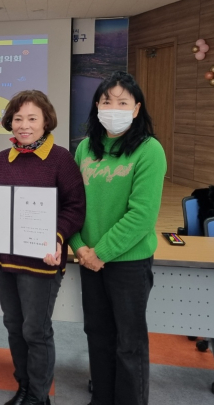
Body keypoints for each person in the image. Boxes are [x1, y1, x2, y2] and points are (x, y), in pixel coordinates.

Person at [0, 90, 86, 405]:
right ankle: (24, 386)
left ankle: (37, 396)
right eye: (18, 118)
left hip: (41, 261)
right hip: (6, 260)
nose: (24, 125)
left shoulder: (61, 158)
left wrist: (58, 237)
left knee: (36, 330)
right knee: (13, 325)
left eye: (32, 118)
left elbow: (75, 208)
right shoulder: (2, 160)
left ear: (46, 121)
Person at [69, 71, 166, 405]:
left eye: (122, 102)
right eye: (107, 101)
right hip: (89, 260)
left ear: (136, 109)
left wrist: (101, 252)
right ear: (97, 105)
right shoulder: (85, 149)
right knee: (97, 336)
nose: (114, 107)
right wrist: (79, 247)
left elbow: (141, 216)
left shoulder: (150, 150)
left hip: (128, 263)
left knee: (129, 343)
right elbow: (73, 204)